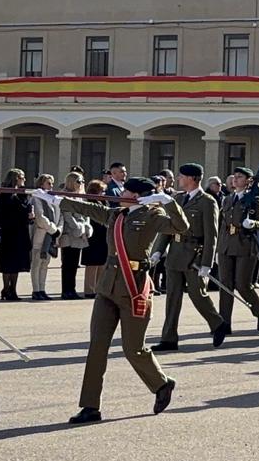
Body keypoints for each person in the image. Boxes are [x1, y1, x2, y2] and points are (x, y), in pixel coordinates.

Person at [52, 177, 189, 424]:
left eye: (125, 190)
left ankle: (161, 384)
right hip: (107, 288)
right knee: (97, 346)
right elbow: (91, 208)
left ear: (137, 195)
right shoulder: (118, 215)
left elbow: (181, 227)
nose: (120, 193)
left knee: (133, 348)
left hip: (133, 287)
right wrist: (57, 199)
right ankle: (90, 406)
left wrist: (168, 202)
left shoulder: (152, 215)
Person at [151, 163, 229, 351]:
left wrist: (207, 263)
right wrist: (158, 250)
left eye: (182, 176)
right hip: (175, 254)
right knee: (172, 298)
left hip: (194, 255)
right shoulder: (177, 198)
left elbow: (212, 234)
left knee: (197, 295)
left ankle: (218, 323)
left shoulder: (207, 202)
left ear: (193, 179)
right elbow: (169, 227)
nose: (179, 179)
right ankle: (169, 338)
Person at [217, 167, 259, 330]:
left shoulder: (255, 199)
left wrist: (252, 223)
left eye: (240, 177)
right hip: (226, 245)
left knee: (242, 284)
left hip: (245, 245)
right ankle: (224, 323)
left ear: (248, 181)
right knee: (225, 285)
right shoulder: (227, 199)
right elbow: (221, 225)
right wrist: (217, 247)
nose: (235, 179)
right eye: (234, 176)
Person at [0, 169, 32, 301]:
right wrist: (24, 212)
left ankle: (13, 289)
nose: (24, 180)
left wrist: (29, 215)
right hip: (9, 232)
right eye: (22, 177)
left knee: (16, 264)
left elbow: (26, 207)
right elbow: (10, 210)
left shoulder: (22, 193)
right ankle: (5, 288)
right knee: (7, 264)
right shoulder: (6, 193)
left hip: (20, 232)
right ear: (15, 178)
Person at [57, 172, 91, 299]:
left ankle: (72, 289)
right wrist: (78, 228)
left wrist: (86, 226)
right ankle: (66, 290)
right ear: (71, 182)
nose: (81, 184)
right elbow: (67, 215)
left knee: (74, 264)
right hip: (70, 233)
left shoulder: (81, 197)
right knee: (67, 264)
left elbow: (86, 212)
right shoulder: (65, 195)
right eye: (79, 181)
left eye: (82, 181)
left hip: (80, 234)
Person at [29, 174, 60, 300]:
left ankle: (42, 289)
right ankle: (36, 290)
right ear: (41, 184)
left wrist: (58, 230)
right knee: (37, 263)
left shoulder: (53, 198)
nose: (51, 186)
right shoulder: (36, 198)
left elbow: (60, 215)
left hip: (52, 236)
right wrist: (53, 229)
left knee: (45, 264)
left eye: (52, 183)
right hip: (41, 234)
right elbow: (40, 217)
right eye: (48, 183)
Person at [82, 179, 110, 292]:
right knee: (92, 264)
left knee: (102, 263)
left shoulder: (104, 202)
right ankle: (89, 289)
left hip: (103, 236)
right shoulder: (89, 202)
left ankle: (99, 288)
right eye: (101, 191)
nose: (103, 194)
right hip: (93, 236)